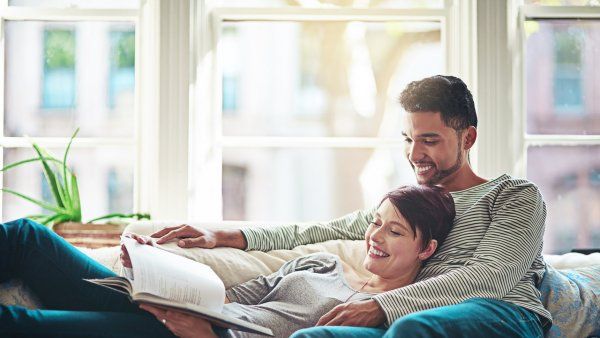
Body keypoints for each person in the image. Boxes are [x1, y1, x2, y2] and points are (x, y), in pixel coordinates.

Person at [149, 75, 550, 338]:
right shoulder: (412, 205)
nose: (415, 154)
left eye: (429, 140)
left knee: (412, 329)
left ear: (468, 138)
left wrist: (380, 305)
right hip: (404, 316)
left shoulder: (513, 196)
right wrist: (228, 234)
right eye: (408, 140)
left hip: (503, 315)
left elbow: (491, 276)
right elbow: (319, 230)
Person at [0, 185, 454, 338]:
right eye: (376, 223)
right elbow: (233, 295)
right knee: (28, 237)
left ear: (426, 249)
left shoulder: (378, 322)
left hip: (195, 336)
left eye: (394, 232)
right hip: (175, 313)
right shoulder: (322, 266)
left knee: (23, 324)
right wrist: (155, 273)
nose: (375, 237)